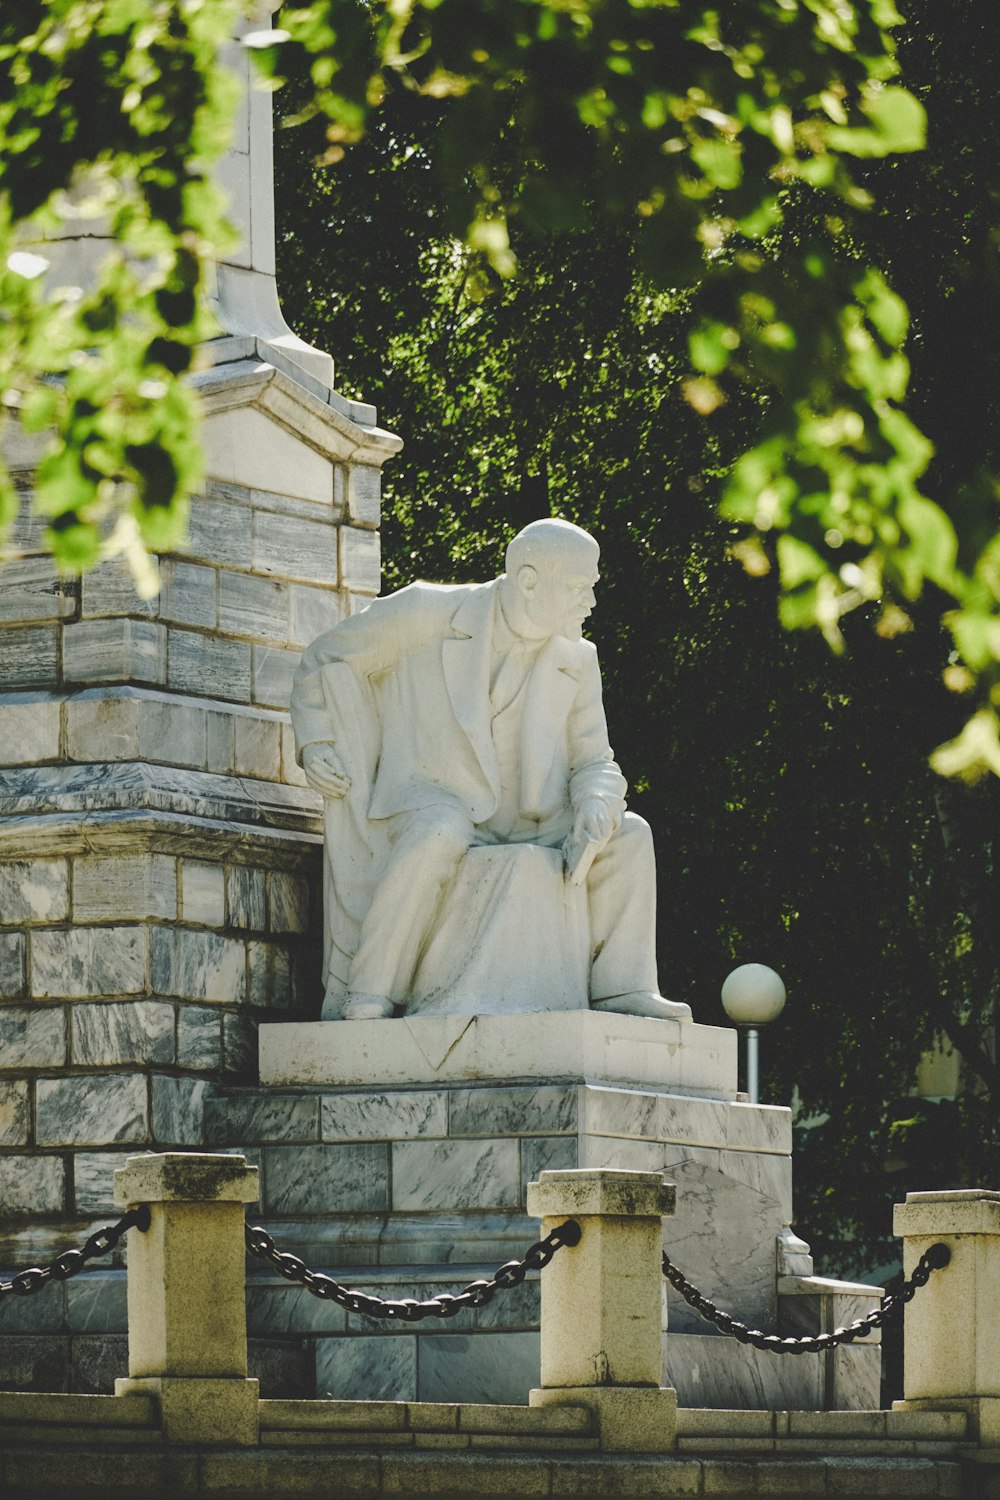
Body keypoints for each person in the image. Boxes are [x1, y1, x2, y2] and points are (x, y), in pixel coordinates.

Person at [290, 517, 690, 1022]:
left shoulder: (579, 658)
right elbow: (327, 656)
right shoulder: (427, 612)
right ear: (527, 580)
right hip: (430, 799)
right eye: (577, 587)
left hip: (532, 821)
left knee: (631, 835)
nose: (589, 602)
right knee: (439, 832)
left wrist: (596, 802)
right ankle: (370, 991)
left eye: (592, 588)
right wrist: (317, 740)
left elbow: (595, 760)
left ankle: (621, 988)